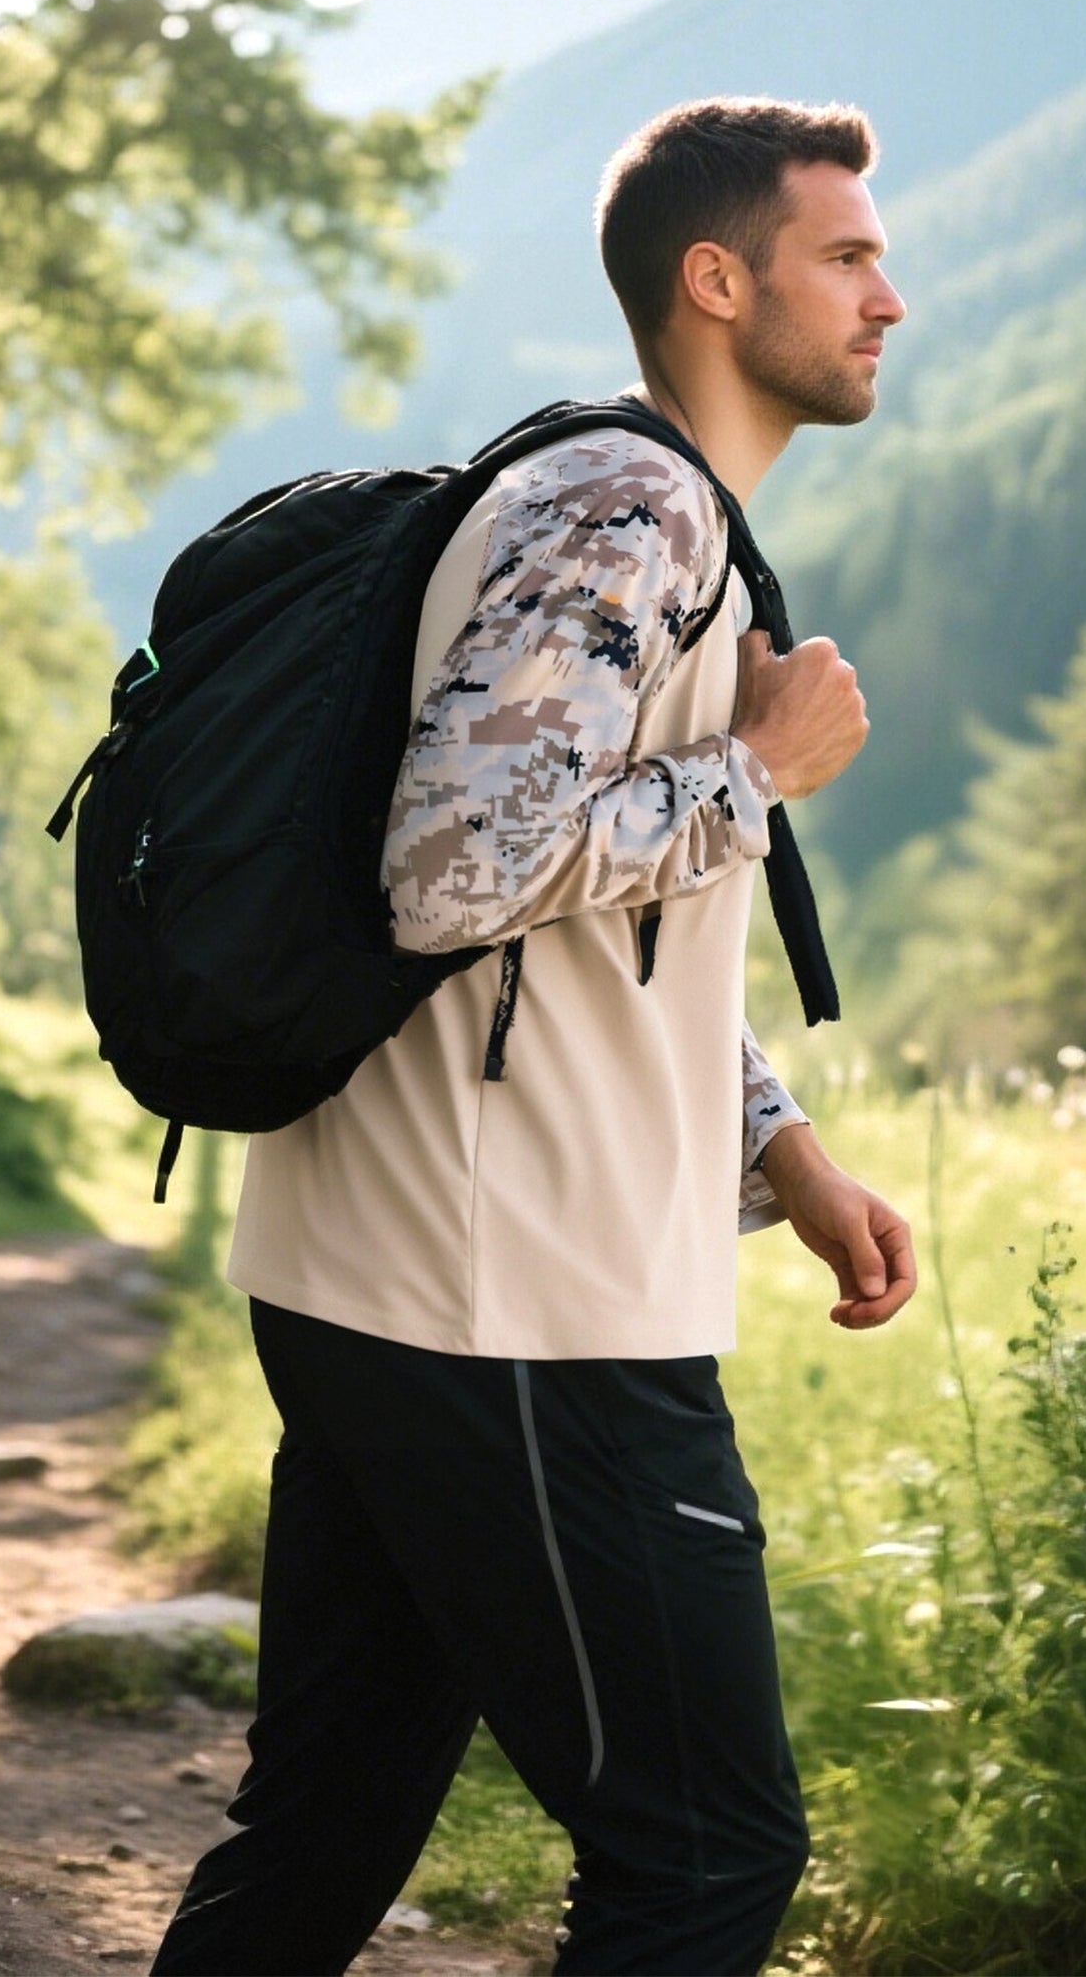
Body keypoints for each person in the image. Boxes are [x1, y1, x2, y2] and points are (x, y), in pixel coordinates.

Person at [150, 97, 917, 1976]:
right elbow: (454, 869)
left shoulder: (632, 507)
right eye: (847, 256)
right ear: (715, 282)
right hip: (518, 1305)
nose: (890, 296)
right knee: (708, 1854)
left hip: (391, 1264)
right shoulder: (628, 508)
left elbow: (591, 940)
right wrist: (760, 769)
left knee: (326, 1821)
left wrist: (777, 1144)